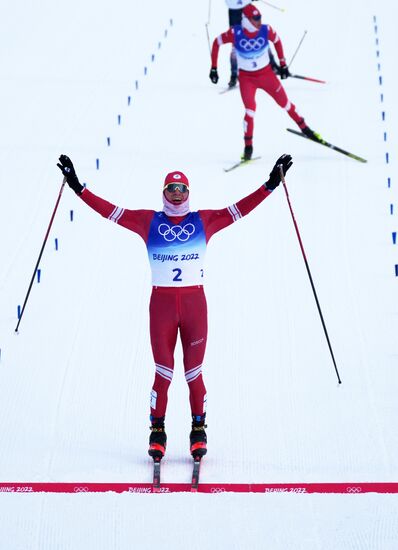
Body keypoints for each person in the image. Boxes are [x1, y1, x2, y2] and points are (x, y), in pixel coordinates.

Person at [57, 152, 293, 460]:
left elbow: (240, 210)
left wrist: (271, 185)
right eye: (172, 188)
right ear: (164, 192)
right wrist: (77, 186)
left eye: (182, 189)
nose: (177, 194)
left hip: (195, 307)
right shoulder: (148, 221)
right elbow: (110, 212)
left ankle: (198, 430)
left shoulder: (204, 220)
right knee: (163, 373)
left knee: (194, 373)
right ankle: (158, 431)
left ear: (189, 193)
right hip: (162, 308)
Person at [209, 3, 320, 161]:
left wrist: (283, 64)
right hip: (247, 79)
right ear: (246, 20)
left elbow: (277, 40)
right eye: (255, 19)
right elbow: (216, 43)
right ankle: (248, 148)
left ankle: (306, 129)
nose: (259, 22)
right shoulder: (235, 32)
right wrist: (214, 68)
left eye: (260, 18)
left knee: (285, 103)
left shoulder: (266, 30)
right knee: (250, 111)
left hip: (266, 75)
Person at [224, 0, 253, 88]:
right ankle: (234, 75)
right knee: (235, 44)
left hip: (246, 9)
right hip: (234, 11)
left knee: (255, 36)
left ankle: (269, 67)